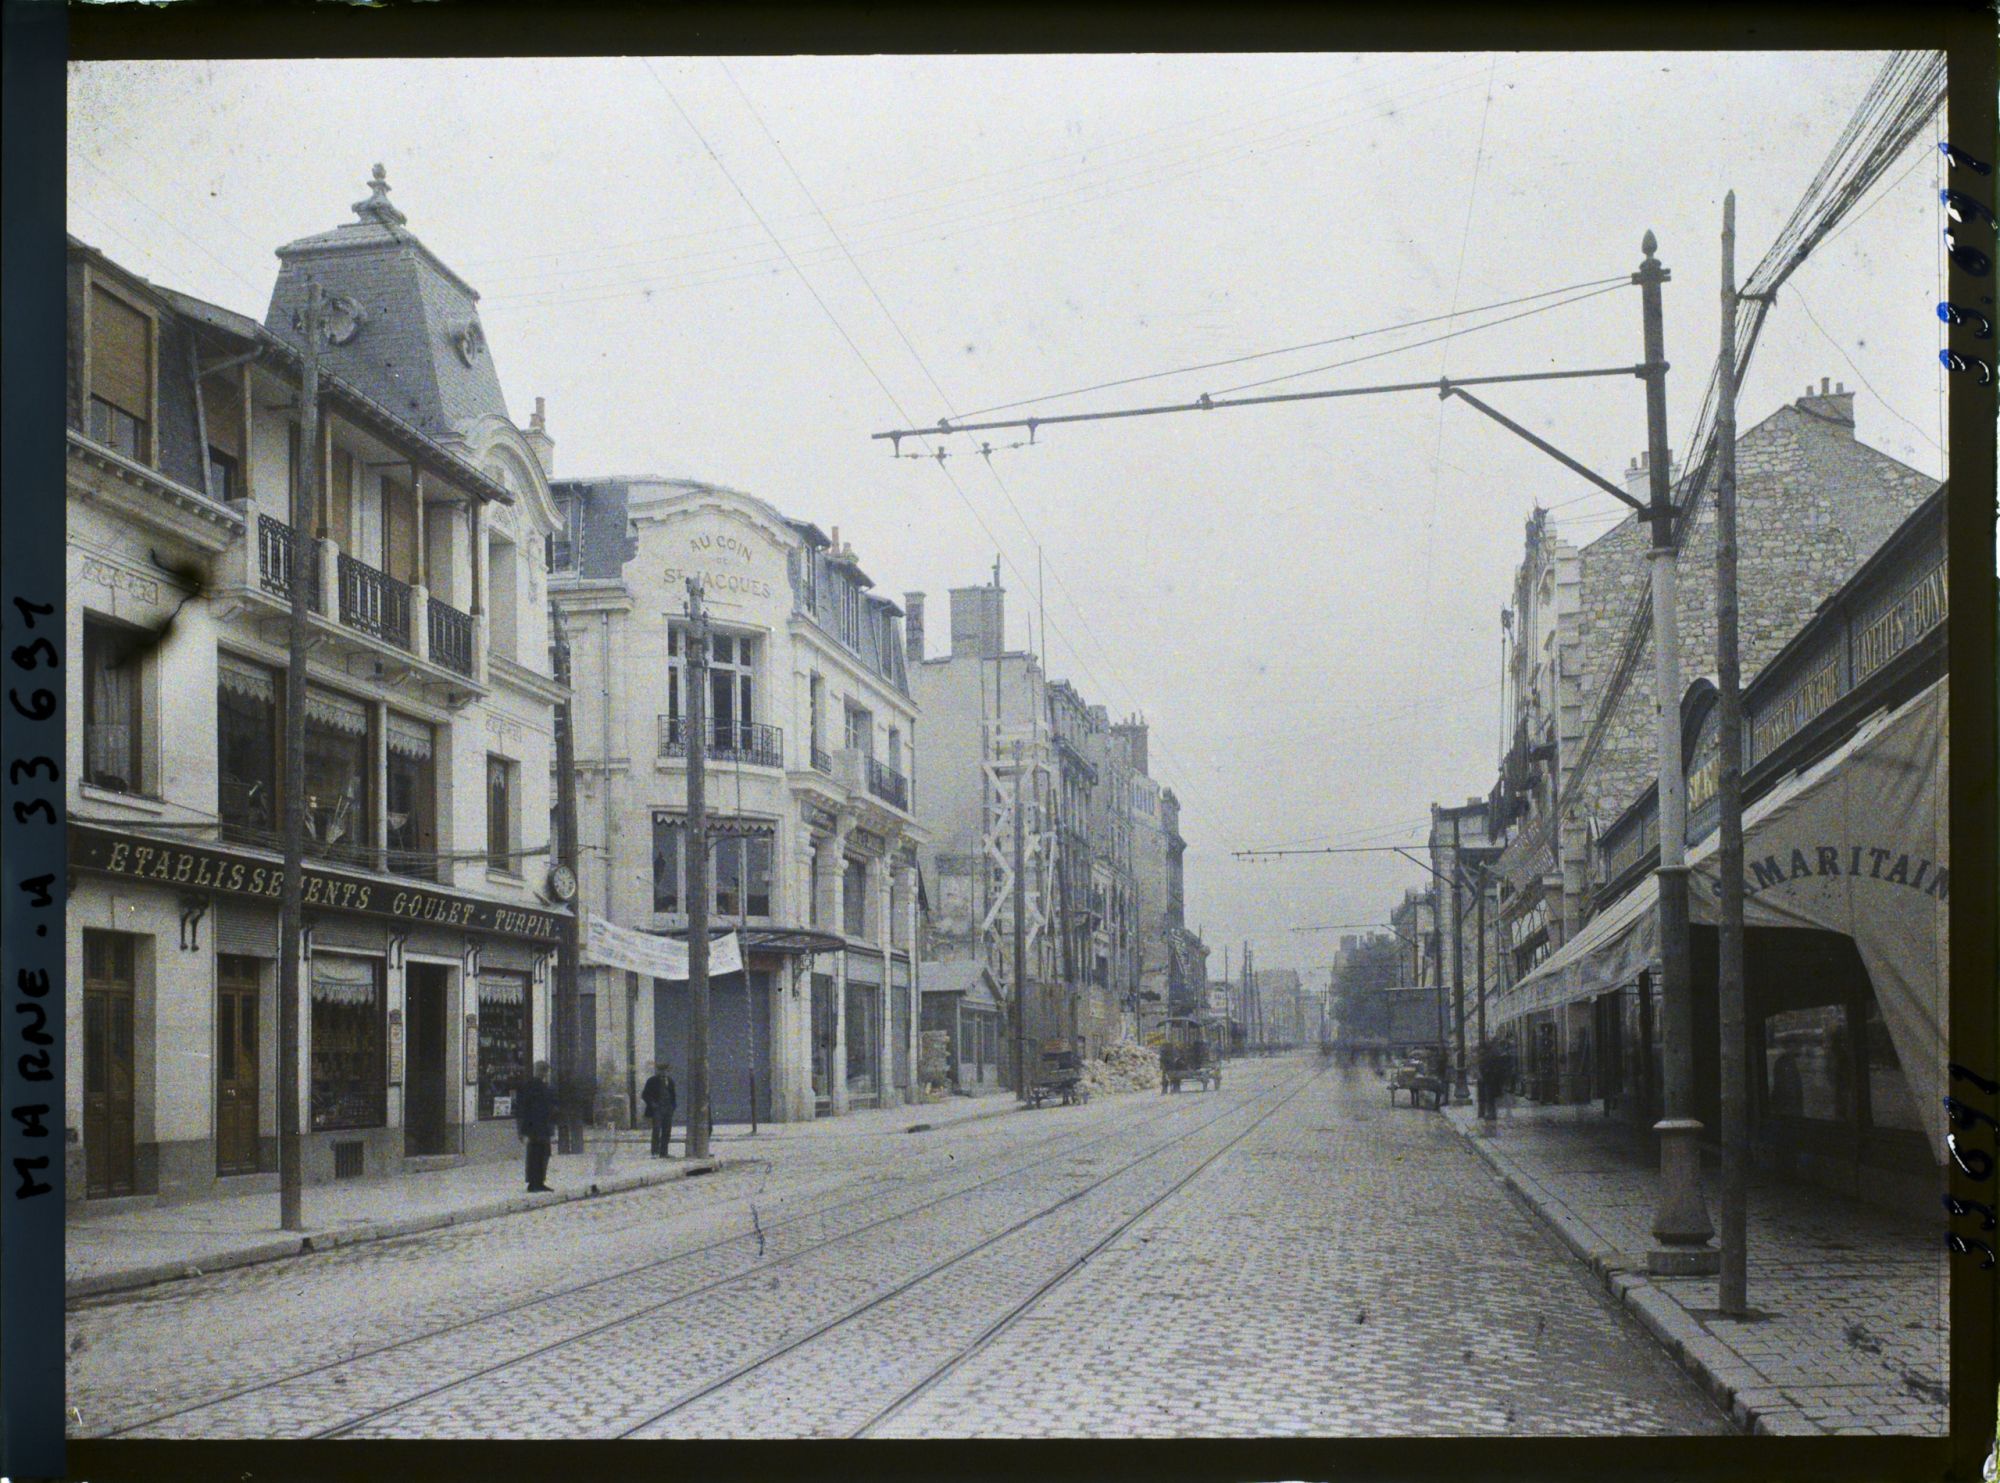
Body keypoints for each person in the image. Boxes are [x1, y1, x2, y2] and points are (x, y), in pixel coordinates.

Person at [516, 1060, 556, 1192]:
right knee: (541, 1154)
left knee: (534, 1154)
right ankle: (537, 1182)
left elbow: (521, 1110)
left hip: (533, 1126)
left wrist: (521, 1129)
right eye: (544, 1071)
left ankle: (535, 1182)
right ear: (543, 1072)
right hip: (540, 1127)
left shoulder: (528, 1086)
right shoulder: (544, 1088)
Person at [641, 1062, 677, 1158]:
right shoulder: (652, 1081)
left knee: (667, 1130)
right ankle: (655, 1152)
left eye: (666, 1071)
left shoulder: (670, 1081)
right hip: (657, 1109)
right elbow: (645, 1095)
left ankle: (664, 1152)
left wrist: (673, 1107)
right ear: (658, 1071)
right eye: (662, 1071)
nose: (664, 1073)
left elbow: (673, 1095)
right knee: (656, 1130)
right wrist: (653, 1104)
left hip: (668, 1109)